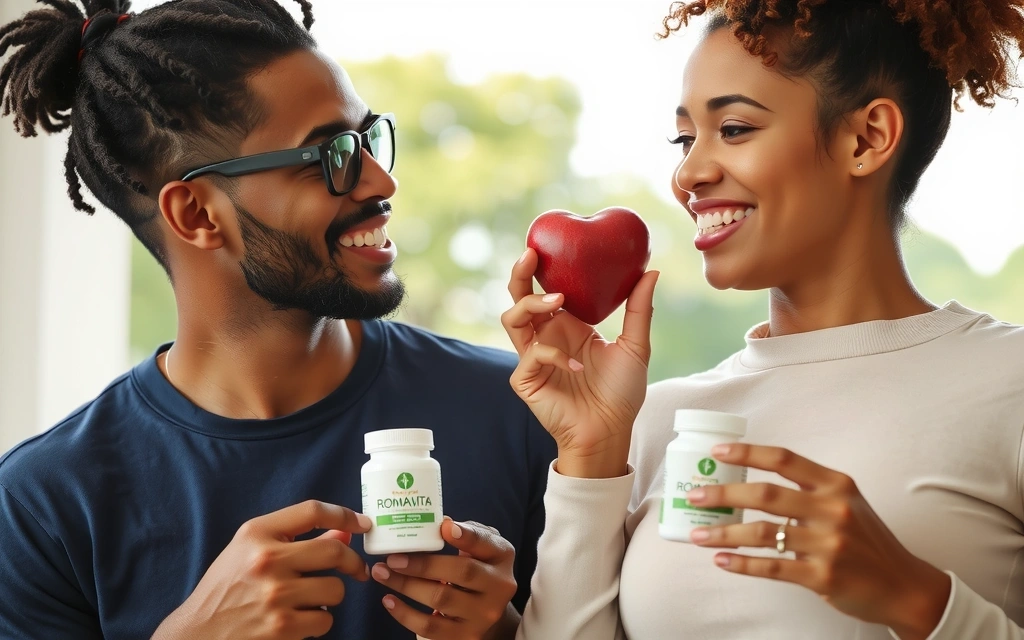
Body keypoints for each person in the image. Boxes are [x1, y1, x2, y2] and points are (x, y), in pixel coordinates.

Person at [0, 1, 555, 639]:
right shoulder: (42, 506)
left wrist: (508, 633)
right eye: (330, 156)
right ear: (198, 215)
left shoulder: (521, 412)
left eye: (368, 137)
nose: (381, 181)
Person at [500, 1, 1024, 639]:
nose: (688, 173)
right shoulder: (656, 420)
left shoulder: (1009, 385)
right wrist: (592, 454)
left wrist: (917, 600)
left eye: (736, 128)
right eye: (684, 138)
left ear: (867, 138)